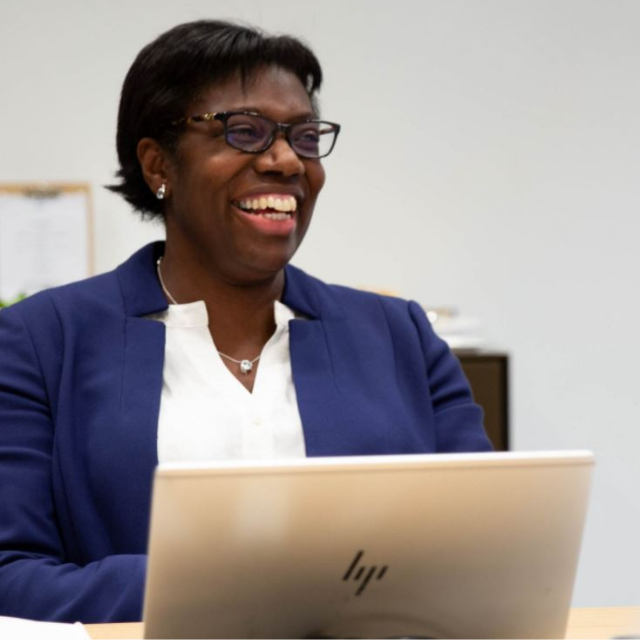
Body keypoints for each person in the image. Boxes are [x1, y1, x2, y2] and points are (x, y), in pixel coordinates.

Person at [0, 20, 492, 624]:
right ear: (159, 165)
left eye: (305, 137)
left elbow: (486, 552)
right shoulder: (40, 342)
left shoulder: (400, 337)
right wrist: (232, 582)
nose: (286, 160)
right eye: (246, 131)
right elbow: (11, 574)